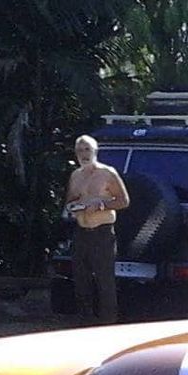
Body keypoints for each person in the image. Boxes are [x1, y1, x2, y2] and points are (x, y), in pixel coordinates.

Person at [64, 134, 130, 323]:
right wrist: (73, 205)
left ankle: (108, 323)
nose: (83, 154)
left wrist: (101, 205)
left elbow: (123, 201)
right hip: (81, 232)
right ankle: (85, 322)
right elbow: (69, 201)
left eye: (87, 150)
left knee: (104, 282)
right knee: (81, 280)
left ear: (95, 151)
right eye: (79, 150)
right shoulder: (76, 175)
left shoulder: (107, 173)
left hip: (102, 232)